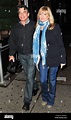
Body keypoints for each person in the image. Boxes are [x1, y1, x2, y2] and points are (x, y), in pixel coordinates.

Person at [33, 6, 66, 108]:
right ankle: (44, 97)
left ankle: (50, 100)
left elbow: (60, 44)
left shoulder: (55, 27)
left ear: (49, 16)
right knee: (43, 80)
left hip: (54, 58)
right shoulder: (37, 28)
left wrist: (62, 59)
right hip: (43, 59)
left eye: (45, 14)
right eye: (40, 14)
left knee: (52, 81)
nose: (42, 16)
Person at [8, 4, 39, 111]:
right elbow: (12, 41)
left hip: (32, 55)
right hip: (21, 55)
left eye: (24, 12)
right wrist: (11, 54)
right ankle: (35, 87)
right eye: (20, 13)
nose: (22, 14)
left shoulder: (34, 25)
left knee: (29, 77)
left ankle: (27, 101)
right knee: (28, 75)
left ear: (28, 14)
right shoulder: (15, 27)